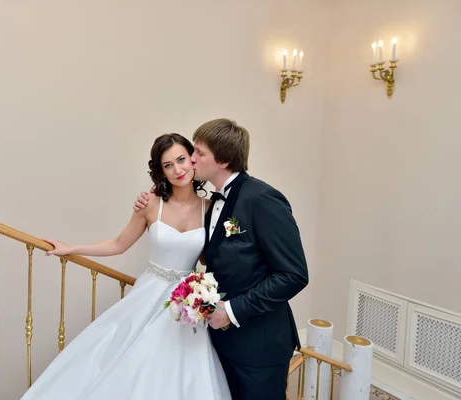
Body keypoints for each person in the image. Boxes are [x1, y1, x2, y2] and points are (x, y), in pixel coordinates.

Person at [21, 133, 231, 400]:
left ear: (192, 160)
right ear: (161, 171)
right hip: (147, 297)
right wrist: (71, 248)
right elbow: (119, 244)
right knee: (128, 367)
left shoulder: (211, 208)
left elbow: (209, 258)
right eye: (168, 165)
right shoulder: (151, 203)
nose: (177, 170)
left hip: (186, 304)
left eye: (181, 160)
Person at [133, 118, 309, 400]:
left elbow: (294, 275)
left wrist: (232, 310)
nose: (191, 158)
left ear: (223, 160)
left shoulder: (262, 199)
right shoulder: (214, 203)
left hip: (260, 347)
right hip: (222, 342)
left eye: (199, 153)